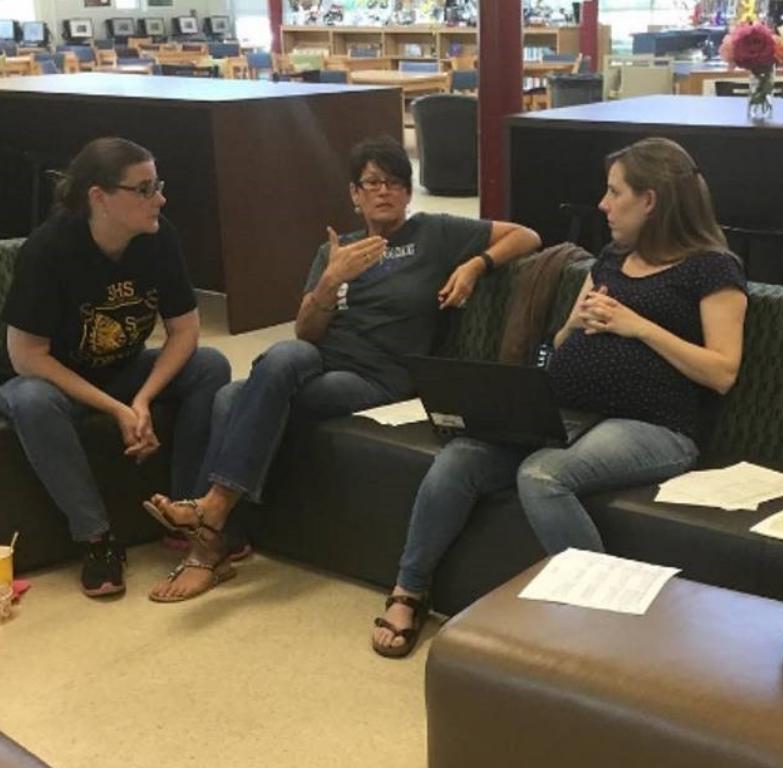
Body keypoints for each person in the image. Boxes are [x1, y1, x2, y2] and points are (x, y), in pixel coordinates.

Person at [371, 137, 749, 657]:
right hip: (567, 412)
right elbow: (561, 343)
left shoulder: (712, 267)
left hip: (655, 425)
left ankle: (607, 624)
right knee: (460, 457)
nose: (603, 204)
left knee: (543, 476)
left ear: (650, 200)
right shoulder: (612, 259)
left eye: (614, 192)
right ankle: (409, 592)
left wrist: (638, 327)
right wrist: (574, 325)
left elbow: (722, 371)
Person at [144, 135, 541, 602]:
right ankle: (215, 522)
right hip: (324, 359)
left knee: (234, 398)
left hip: (380, 377)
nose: (384, 191)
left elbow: (527, 235)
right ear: (354, 194)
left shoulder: (435, 233)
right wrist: (331, 280)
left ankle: (209, 537)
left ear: (408, 192)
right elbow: (307, 332)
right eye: (372, 183)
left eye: (395, 182)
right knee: (277, 360)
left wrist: (476, 265)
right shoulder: (336, 250)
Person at [0, 137, 230, 597]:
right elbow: (27, 356)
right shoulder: (48, 249)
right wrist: (118, 410)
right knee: (29, 400)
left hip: (122, 369)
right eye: (143, 189)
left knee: (209, 365)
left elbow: (185, 331)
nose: (159, 199)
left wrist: (142, 399)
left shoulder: (159, 236)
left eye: (157, 185)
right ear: (99, 198)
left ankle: (184, 514)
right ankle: (97, 539)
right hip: (53, 378)